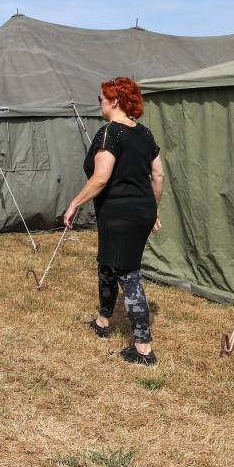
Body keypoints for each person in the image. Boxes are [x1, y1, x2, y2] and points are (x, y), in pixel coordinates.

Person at [64, 77, 165, 366]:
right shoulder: (145, 134)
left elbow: (101, 177)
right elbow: (158, 175)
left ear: (115, 101)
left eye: (101, 99)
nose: (99, 103)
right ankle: (103, 322)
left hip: (120, 214)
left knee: (128, 273)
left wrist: (75, 203)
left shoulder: (111, 133)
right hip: (138, 210)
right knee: (107, 264)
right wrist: (152, 208)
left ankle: (144, 349)